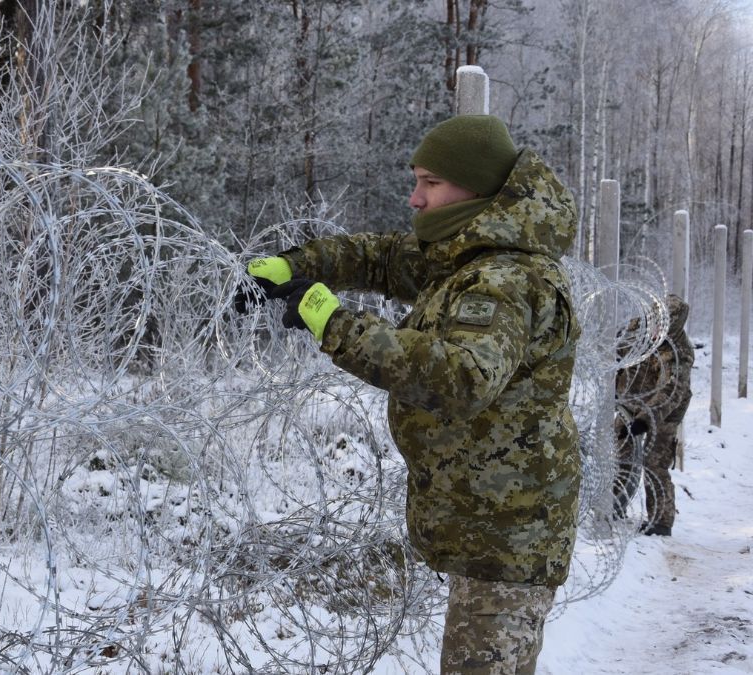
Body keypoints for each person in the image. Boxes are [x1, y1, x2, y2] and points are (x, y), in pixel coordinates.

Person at [245, 115, 580, 674]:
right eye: (416, 181)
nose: (415, 198)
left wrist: (334, 324)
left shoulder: (504, 279)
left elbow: (462, 377)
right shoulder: (468, 254)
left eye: (431, 182)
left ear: (475, 188)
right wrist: (295, 266)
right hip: (488, 525)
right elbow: (379, 257)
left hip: (507, 537)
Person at [613, 294, 693, 536]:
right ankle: (614, 504)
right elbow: (619, 351)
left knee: (654, 462)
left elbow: (670, 391)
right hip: (630, 402)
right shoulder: (637, 330)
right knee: (622, 454)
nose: (657, 329)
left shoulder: (678, 351)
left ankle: (661, 522)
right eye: (656, 322)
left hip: (664, 412)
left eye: (664, 325)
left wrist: (644, 420)